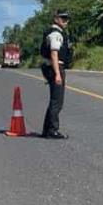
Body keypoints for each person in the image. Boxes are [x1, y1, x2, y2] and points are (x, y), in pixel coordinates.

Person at [39, 10, 73, 138]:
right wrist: (57, 74)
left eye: (67, 19)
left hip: (52, 67)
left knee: (54, 100)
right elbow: (54, 53)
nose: (65, 21)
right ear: (56, 18)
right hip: (55, 66)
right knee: (57, 101)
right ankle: (52, 130)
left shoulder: (55, 32)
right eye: (63, 18)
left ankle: (47, 130)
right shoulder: (56, 34)